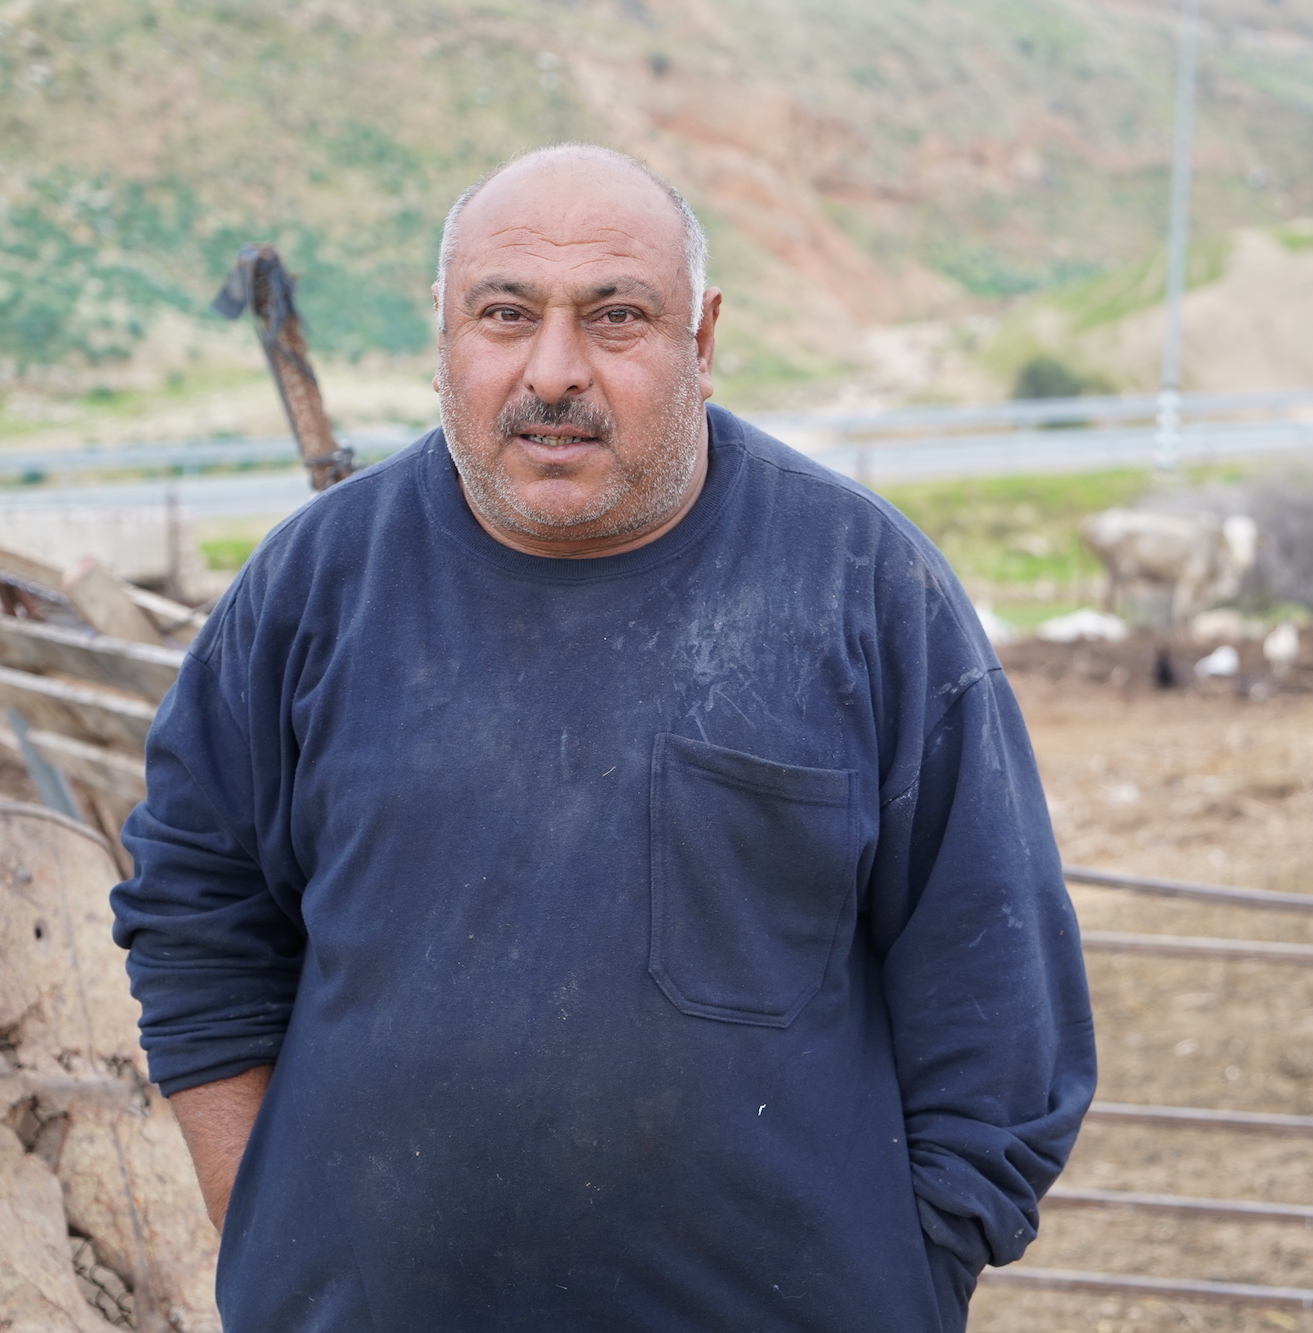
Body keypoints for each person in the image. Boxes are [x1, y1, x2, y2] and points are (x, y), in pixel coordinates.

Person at [111, 142, 1095, 1333]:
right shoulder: (314, 586)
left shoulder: (863, 589)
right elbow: (197, 920)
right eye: (504, 314)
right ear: (443, 336)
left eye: (615, 316)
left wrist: (904, 1275)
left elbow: (996, 1000)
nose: (554, 369)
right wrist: (277, 1238)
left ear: (703, 338)